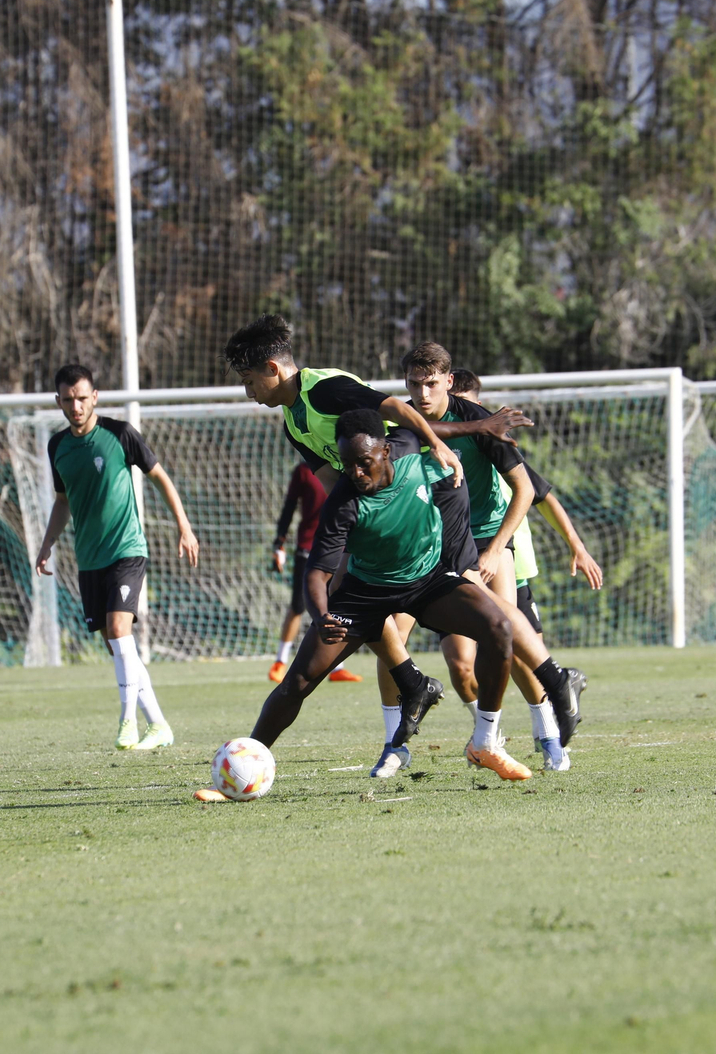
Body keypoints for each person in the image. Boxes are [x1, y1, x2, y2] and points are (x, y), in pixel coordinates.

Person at [222, 314, 531, 761]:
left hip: (418, 528)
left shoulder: (324, 389)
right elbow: (334, 483)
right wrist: (345, 538)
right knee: (302, 674)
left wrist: (440, 444)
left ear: (273, 369)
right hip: (375, 547)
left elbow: (397, 411)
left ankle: (498, 731)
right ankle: (248, 762)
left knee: (501, 626)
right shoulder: (293, 421)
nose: (248, 392)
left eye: (249, 381)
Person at [201, 409, 532, 801]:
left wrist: (477, 428)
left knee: (500, 628)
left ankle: (485, 742)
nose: (356, 473)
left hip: (427, 581)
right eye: (348, 465)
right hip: (365, 594)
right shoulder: (343, 503)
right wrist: (322, 616)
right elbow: (315, 574)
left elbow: (420, 422)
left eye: (365, 463)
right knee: (296, 684)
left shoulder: (411, 447)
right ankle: (245, 766)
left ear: (387, 451)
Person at [393, 344, 587, 773]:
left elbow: (531, 490)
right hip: (429, 544)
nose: (422, 394)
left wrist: (498, 549)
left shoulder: (483, 426)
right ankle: (403, 744)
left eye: (431, 384)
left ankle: (548, 731)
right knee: (429, 649)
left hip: (484, 541)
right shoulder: (403, 421)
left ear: (448, 381)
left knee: (507, 638)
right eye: (414, 384)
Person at [35, 364, 200, 750]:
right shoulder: (57, 446)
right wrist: (47, 543)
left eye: (82, 397)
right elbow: (62, 502)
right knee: (116, 645)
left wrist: (184, 526)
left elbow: (159, 476)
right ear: (58, 401)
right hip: (89, 558)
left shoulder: (120, 434)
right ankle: (158, 725)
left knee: (120, 631)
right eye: (68, 399)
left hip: (127, 549)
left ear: (95, 397)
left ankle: (127, 722)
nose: (75, 406)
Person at [452, 367, 605, 766]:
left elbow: (541, 495)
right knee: (460, 664)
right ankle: (488, 734)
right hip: (458, 558)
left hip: (505, 561)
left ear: (479, 406)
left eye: (469, 405)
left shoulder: (495, 444)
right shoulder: (438, 443)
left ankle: (549, 732)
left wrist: (577, 545)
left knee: (516, 653)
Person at [270, 461, 361, 685]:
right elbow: (289, 507)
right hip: (308, 548)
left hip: (339, 549)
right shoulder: (303, 471)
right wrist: (279, 543)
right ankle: (280, 662)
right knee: (299, 605)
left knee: (335, 606)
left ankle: (336, 667)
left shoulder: (344, 468)